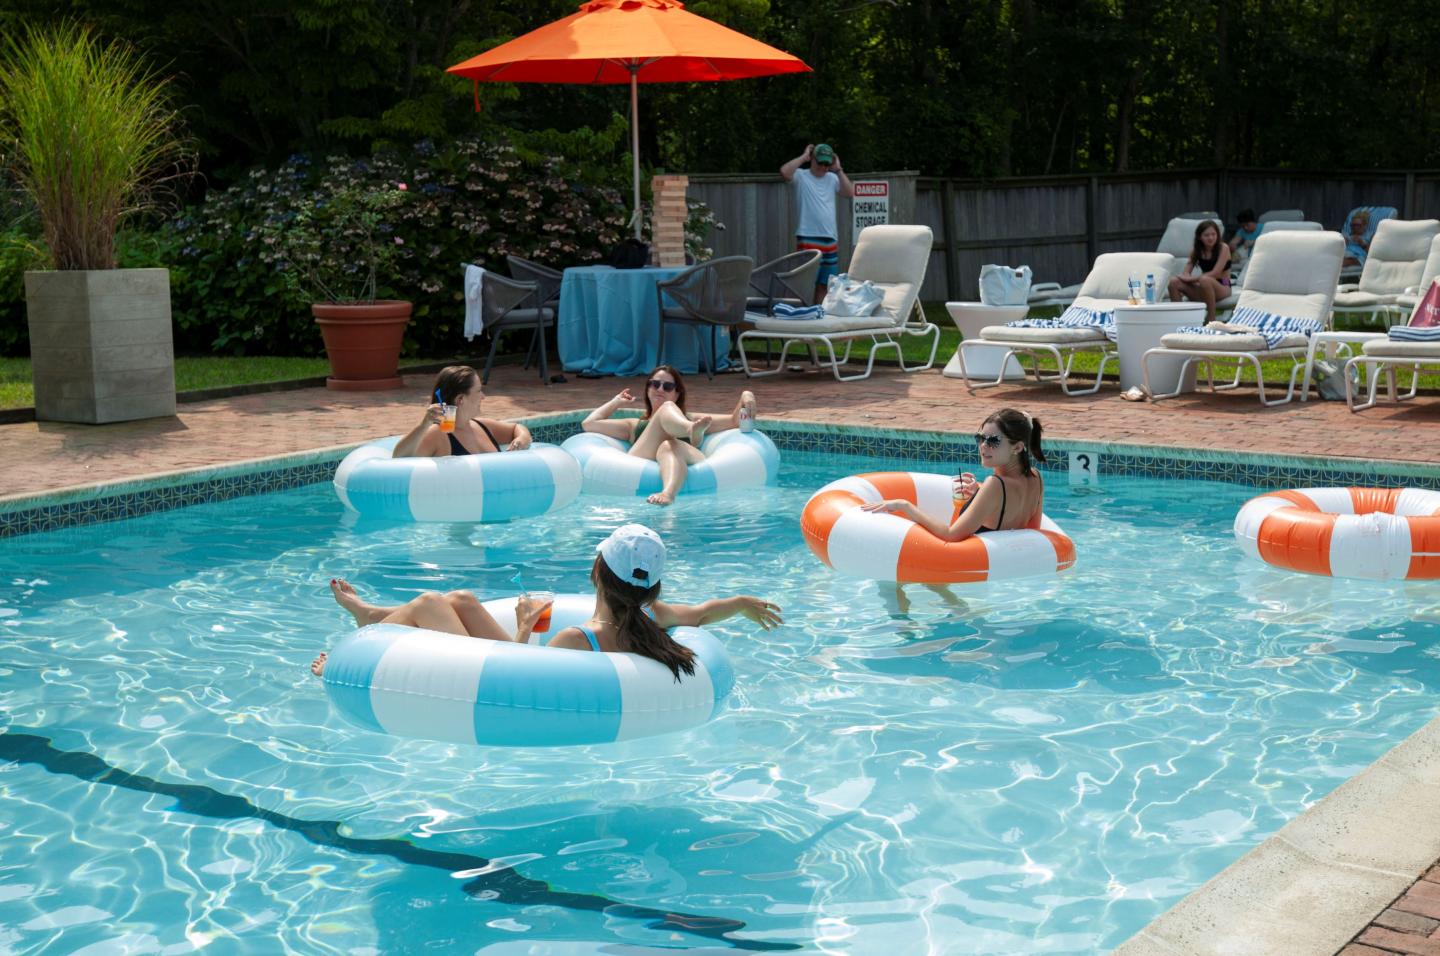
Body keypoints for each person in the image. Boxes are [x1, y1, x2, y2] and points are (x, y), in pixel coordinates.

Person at [309, 524, 783, 681]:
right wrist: (740, 602)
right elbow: (702, 613)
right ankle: (370, 614)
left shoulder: (576, 639)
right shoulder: (654, 618)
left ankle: (360, 641)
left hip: (504, 672)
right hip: (528, 658)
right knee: (462, 599)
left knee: (433, 602)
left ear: (597, 571)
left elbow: (518, 676)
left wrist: (522, 625)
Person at [580, 365, 757, 506]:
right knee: (667, 412)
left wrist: (746, 397)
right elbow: (589, 424)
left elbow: (734, 422)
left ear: (677, 393)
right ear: (648, 388)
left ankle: (668, 494)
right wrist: (615, 402)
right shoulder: (633, 425)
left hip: (680, 452)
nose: (660, 389)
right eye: (655, 384)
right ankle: (689, 432)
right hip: (641, 462)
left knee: (669, 445)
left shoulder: (694, 419)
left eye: (668, 386)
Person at [860, 408, 1046, 540]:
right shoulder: (1036, 478)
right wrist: (978, 496)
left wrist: (905, 505)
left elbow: (951, 535)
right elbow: (1032, 532)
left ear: (1018, 447)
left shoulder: (995, 484)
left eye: (993, 441)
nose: (983, 446)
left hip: (972, 569)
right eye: (980, 438)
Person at [391, 365, 532, 458]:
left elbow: (517, 428)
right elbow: (399, 459)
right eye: (478, 391)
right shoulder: (439, 434)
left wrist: (522, 439)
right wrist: (424, 425)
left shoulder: (481, 426)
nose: (483, 396)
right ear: (461, 399)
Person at [780, 143, 855, 303]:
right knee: (801, 283)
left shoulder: (833, 178)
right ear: (812, 159)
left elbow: (849, 193)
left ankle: (817, 319)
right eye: (819, 162)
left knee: (823, 284)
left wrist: (838, 169)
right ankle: (793, 319)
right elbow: (785, 172)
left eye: (826, 163)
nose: (823, 167)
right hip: (807, 236)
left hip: (829, 238)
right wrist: (803, 157)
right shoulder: (801, 175)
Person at [1166, 220, 1232, 323]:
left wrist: (1192, 279)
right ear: (1200, 237)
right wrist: (1187, 277)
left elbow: (1215, 272)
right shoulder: (1197, 250)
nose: (1210, 238)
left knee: (1205, 279)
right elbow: (1186, 272)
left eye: (1213, 234)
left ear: (1218, 235)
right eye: (1206, 235)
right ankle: (1178, 319)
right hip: (1203, 287)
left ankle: (1211, 320)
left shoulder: (1223, 248)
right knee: (1174, 282)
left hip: (1223, 287)